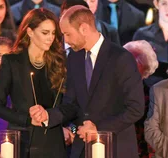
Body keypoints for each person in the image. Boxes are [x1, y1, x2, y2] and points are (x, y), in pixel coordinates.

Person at [29, 5, 144, 158]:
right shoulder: (74, 58)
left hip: (116, 149)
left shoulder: (121, 58)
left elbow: (135, 108)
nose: (66, 42)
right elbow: (71, 105)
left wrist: (98, 128)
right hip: (82, 150)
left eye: (68, 34)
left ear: (83, 29)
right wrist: (48, 116)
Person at [0, 8, 67, 158]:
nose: (50, 38)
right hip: (23, 141)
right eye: (45, 33)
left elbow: (70, 104)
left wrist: (53, 117)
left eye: (53, 33)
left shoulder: (60, 63)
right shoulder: (12, 62)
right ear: (30, 32)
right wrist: (27, 120)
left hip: (53, 143)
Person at [124, 40, 159, 157]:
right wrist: (72, 131)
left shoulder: (153, 98)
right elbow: (75, 125)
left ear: (145, 71)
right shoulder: (105, 91)